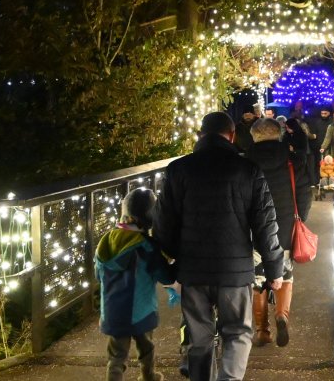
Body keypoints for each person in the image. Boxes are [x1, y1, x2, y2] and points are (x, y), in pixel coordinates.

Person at [155, 111, 284, 381]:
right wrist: (274, 269)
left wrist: (166, 270)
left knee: (199, 338)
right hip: (234, 271)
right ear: (232, 135)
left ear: (200, 135)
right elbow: (265, 224)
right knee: (237, 333)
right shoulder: (248, 170)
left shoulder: (178, 169)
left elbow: (164, 225)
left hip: (192, 269)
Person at [245, 118, 312, 347]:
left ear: (254, 137)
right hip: (285, 226)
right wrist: (300, 218)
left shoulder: (245, 164)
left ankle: (262, 331)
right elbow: (304, 194)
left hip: (253, 229)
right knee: (285, 276)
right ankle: (282, 316)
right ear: (279, 134)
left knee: (257, 281)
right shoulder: (293, 161)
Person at [96, 188, 175, 381]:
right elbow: (166, 277)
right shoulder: (146, 246)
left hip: (113, 312)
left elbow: (98, 275)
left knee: (116, 357)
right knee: (146, 349)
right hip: (141, 311)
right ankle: (148, 376)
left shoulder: (105, 242)